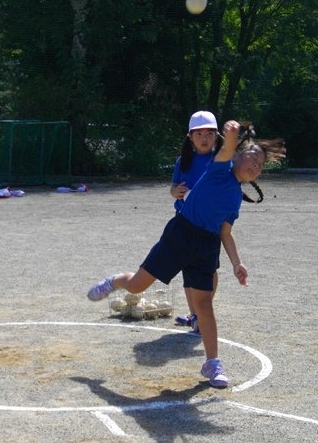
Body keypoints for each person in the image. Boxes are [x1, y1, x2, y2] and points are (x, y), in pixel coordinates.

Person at [87, 119, 286, 387]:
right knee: (136, 286)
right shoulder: (219, 169)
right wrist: (231, 135)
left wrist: (238, 263)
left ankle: (212, 363)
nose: (256, 166)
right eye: (252, 158)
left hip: (207, 245)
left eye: (261, 165)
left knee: (204, 305)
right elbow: (225, 150)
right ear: (237, 155)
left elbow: (225, 233)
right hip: (180, 234)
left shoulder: (236, 198)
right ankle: (114, 282)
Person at [170, 111, 223, 332]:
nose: (204, 138)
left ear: (217, 136)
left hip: (209, 226)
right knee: (188, 269)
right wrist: (175, 191)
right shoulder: (184, 161)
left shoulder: (219, 162)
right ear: (190, 137)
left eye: (209, 133)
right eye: (199, 133)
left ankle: (203, 312)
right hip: (183, 223)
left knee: (208, 271)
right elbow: (173, 188)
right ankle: (194, 315)